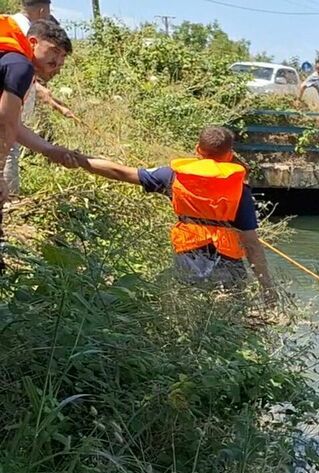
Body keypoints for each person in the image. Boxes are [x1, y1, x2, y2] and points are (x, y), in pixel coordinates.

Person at [73, 126, 276, 301]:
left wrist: (80, 160)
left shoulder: (172, 176)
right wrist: (267, 288)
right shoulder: (238, 188)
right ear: (230, 154)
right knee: (230, 310)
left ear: (198, 149)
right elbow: (251, 243)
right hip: (227, 260)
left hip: (188, 253)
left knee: (191, 301)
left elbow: (122, 172)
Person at [0, 16, 79, 207]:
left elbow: (13, 125)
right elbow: (4, 125)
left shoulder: (9, 60)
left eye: (62, 61)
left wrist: (50, 150)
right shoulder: (20, 67)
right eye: (54, 52)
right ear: (33, 43)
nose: (57, 63)